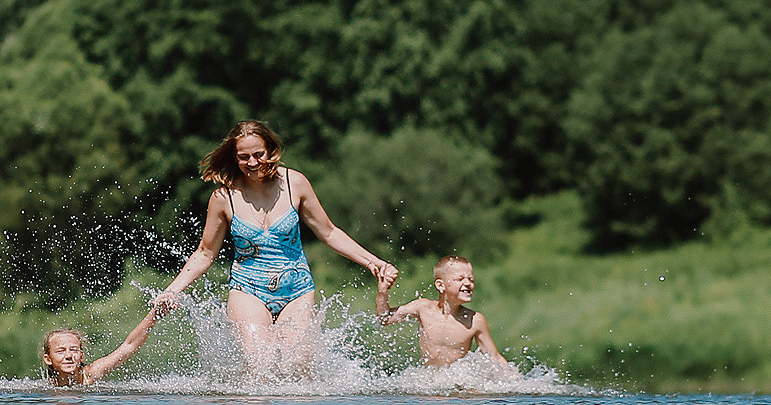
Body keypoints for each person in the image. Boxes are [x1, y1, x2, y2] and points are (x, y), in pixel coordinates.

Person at [158, 120, 399, 376]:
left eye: (258, 154)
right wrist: (172, 290)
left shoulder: (294, 183)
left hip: (297, 289)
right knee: (259, 366)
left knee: (295, 367)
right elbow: (205, 253)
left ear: (270, 150)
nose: (252, 163)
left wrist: (375, 263)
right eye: (244, 157)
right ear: (234, 157)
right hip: (248, 289)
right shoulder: (223, 197)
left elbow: (328, 231)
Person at [377, 256, 514, 371]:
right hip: (428, 382)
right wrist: (383, 292)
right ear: (440, 285)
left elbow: (493, 357)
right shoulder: (422, 307)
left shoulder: (475, 320)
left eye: (471, 279)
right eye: (460, 279)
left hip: (457, 385)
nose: (468, 283)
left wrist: (517, 382)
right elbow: (384, 319)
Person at [42, 295, 177, 387]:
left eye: (74, 350)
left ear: (81, 356)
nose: (69, 356)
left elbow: (129, 346)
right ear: (48, 359)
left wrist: (154, 314)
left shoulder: (91, 374)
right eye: (60, 351)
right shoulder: (46, 387)